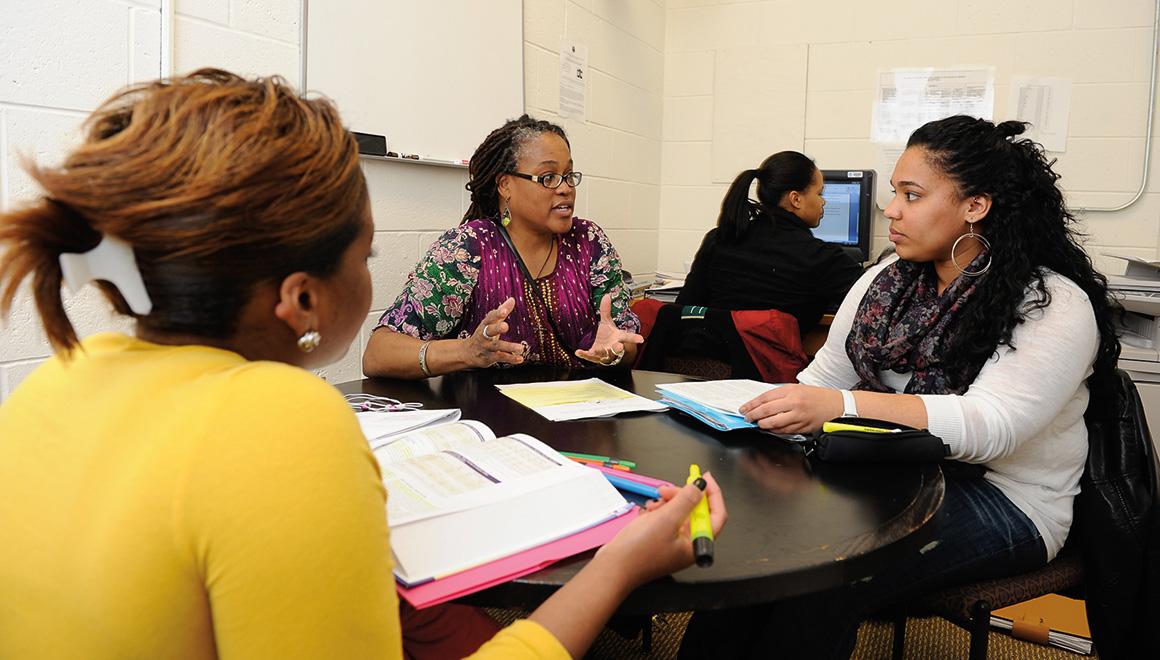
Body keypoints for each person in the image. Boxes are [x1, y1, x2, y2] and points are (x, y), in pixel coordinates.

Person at [0, 69, 726, 659]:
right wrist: (619, 566)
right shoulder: (285, 418)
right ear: (301, 298)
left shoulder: (60, 374)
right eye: (366, 255)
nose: (565, 188)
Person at [678, 115, 1120, 658]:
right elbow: (821, 381)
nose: (892, 210)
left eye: (912, 195)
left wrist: (840, 405)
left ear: (974, 206)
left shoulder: (1049, 302)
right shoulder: (883, 280)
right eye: (894, 193)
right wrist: (764, 422)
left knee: (825, 571)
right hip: (890, 472)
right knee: (757, 547)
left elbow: (994, 426)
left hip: (1009, 498)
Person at [363, 115, 644, 378]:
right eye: (548, 177)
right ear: (506, 185)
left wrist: (614, 353)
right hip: (491, 420)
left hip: (581, 416)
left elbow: (625, 345)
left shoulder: (588, 241)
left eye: (569, 175)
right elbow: (378, 354)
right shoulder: (468, 249)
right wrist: (465, 352)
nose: (565, 188)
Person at [676, 151, 864, 333]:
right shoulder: (818, 256)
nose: (823, 202)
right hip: (769, 362)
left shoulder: (718, 239)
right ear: (796, 199)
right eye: (820, 194)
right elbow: (875, 300)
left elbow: (683, 307)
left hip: (705, 357)